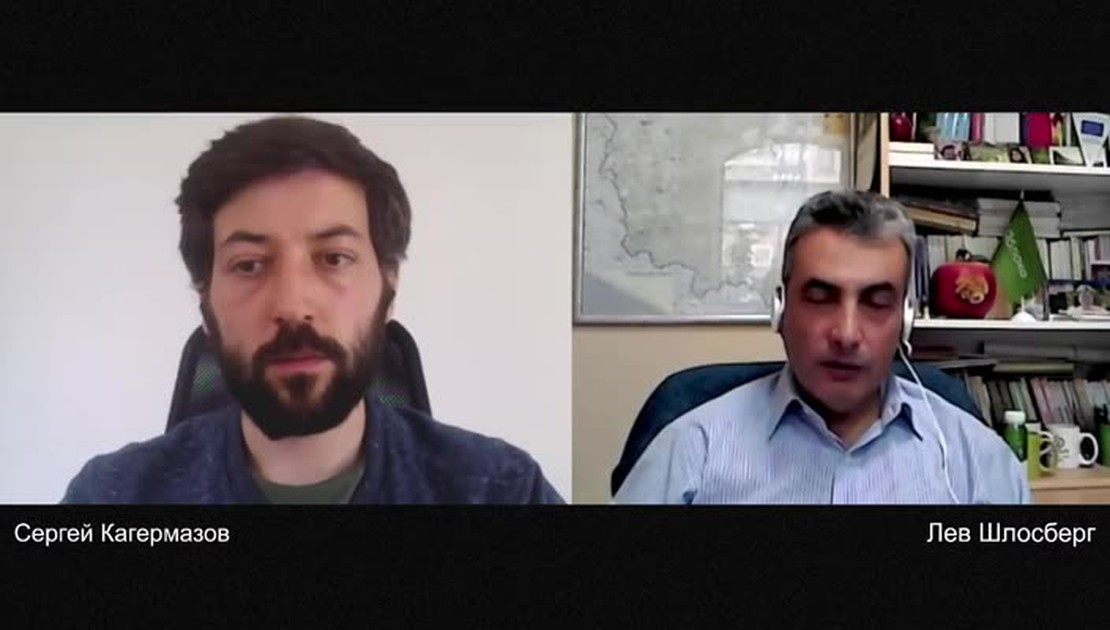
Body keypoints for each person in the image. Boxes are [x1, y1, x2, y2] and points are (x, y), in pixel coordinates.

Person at [62, 115, 563, 504]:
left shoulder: (502, 490)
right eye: (249, 265)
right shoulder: (112, 495)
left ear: (389, 284)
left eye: (334, 258)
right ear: (204, 297)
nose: (292, 305)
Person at [614, 190, 1029, 504]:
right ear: (780, 312)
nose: (846, 334)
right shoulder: (691, 450)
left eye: (876, 302)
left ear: (904, 321)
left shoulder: (980, 462)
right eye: (820, 297)